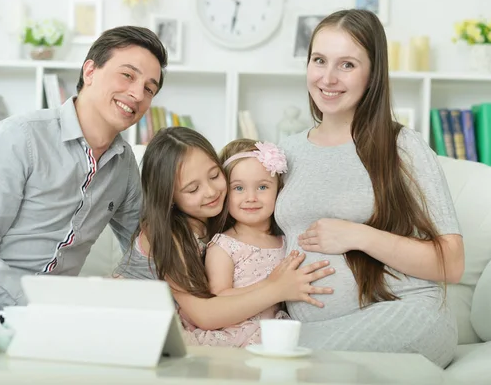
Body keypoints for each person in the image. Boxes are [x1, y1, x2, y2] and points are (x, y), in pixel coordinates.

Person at [0, 26, 168, 358]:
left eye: (149, 88)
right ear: (90, 71)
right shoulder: (20, 137)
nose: (137, 94)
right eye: (127, 76)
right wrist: (35, 305)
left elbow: (146, 245)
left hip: (50, 312)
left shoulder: (125, 168)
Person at [275, 9, 464, 368]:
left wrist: (358, 235)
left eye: (347, 65)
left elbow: (452, 263)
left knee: (287, 358)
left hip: (403, 313)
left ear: (373, 73)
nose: (328, 78)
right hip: (311, 326)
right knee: (271, 349)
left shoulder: (401, 145)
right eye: (319, 60)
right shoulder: (285, 151)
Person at [113, 127, 335, 338]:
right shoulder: (167, 234)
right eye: (193, 189)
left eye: (214, 175)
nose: (210, 192)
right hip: (119, 318)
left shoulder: (216, 221)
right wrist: (276, 288)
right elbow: (205, 315)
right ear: (169, 197)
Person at [182, 138, 298, 347]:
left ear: (279, 190)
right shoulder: (224, 245)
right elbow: (219, 295)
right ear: (225, 192)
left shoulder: (286, 240)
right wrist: (273, 286)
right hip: (236, 331)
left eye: (263, 187)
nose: (251, 197)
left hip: (273, 330)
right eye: (238, 188)